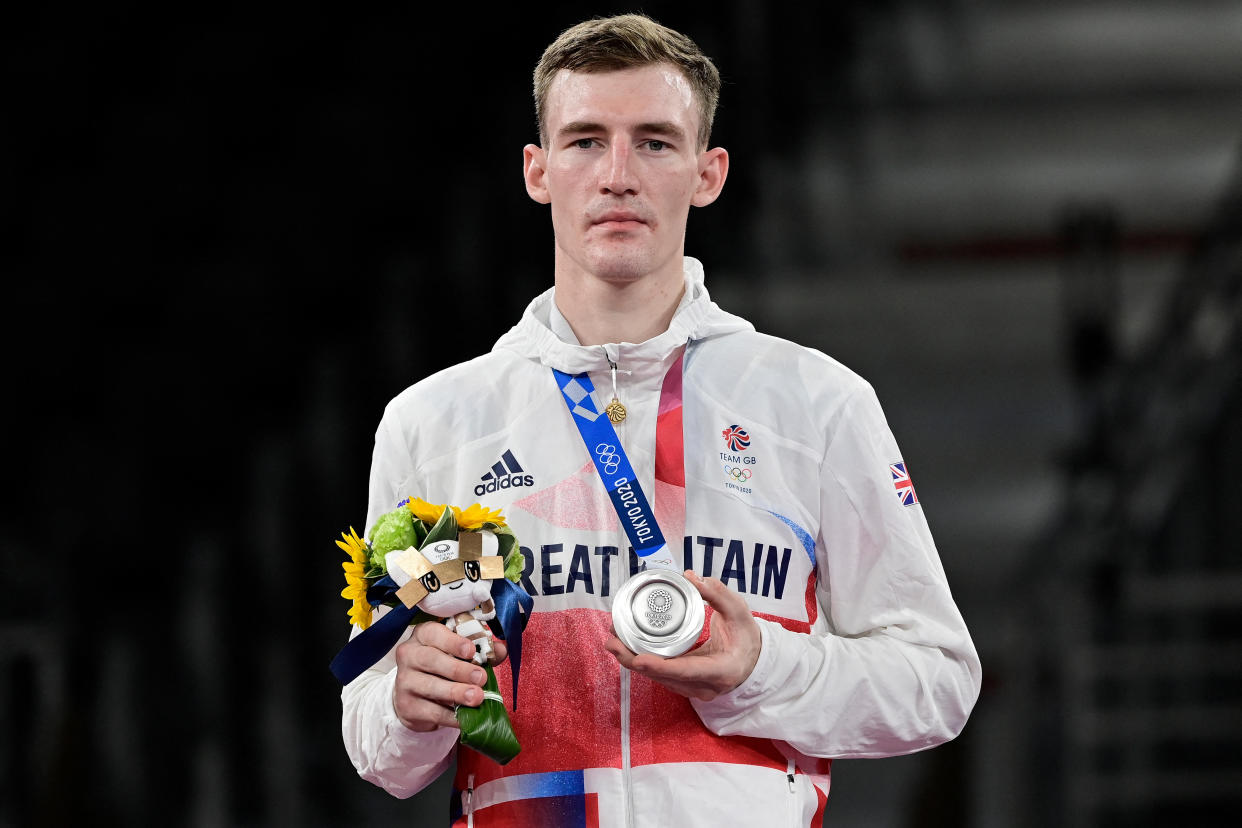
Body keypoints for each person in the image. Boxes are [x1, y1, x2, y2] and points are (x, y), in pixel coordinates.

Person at [341, 13, 980, 826]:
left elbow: (939, 682)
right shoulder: (434, 423)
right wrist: (408, 703)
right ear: (537, 171)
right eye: (583, 141)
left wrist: (761, 668)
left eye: (653, 141)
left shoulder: (815, 404)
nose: (616, 174)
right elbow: (377, 745)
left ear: (707, 173)